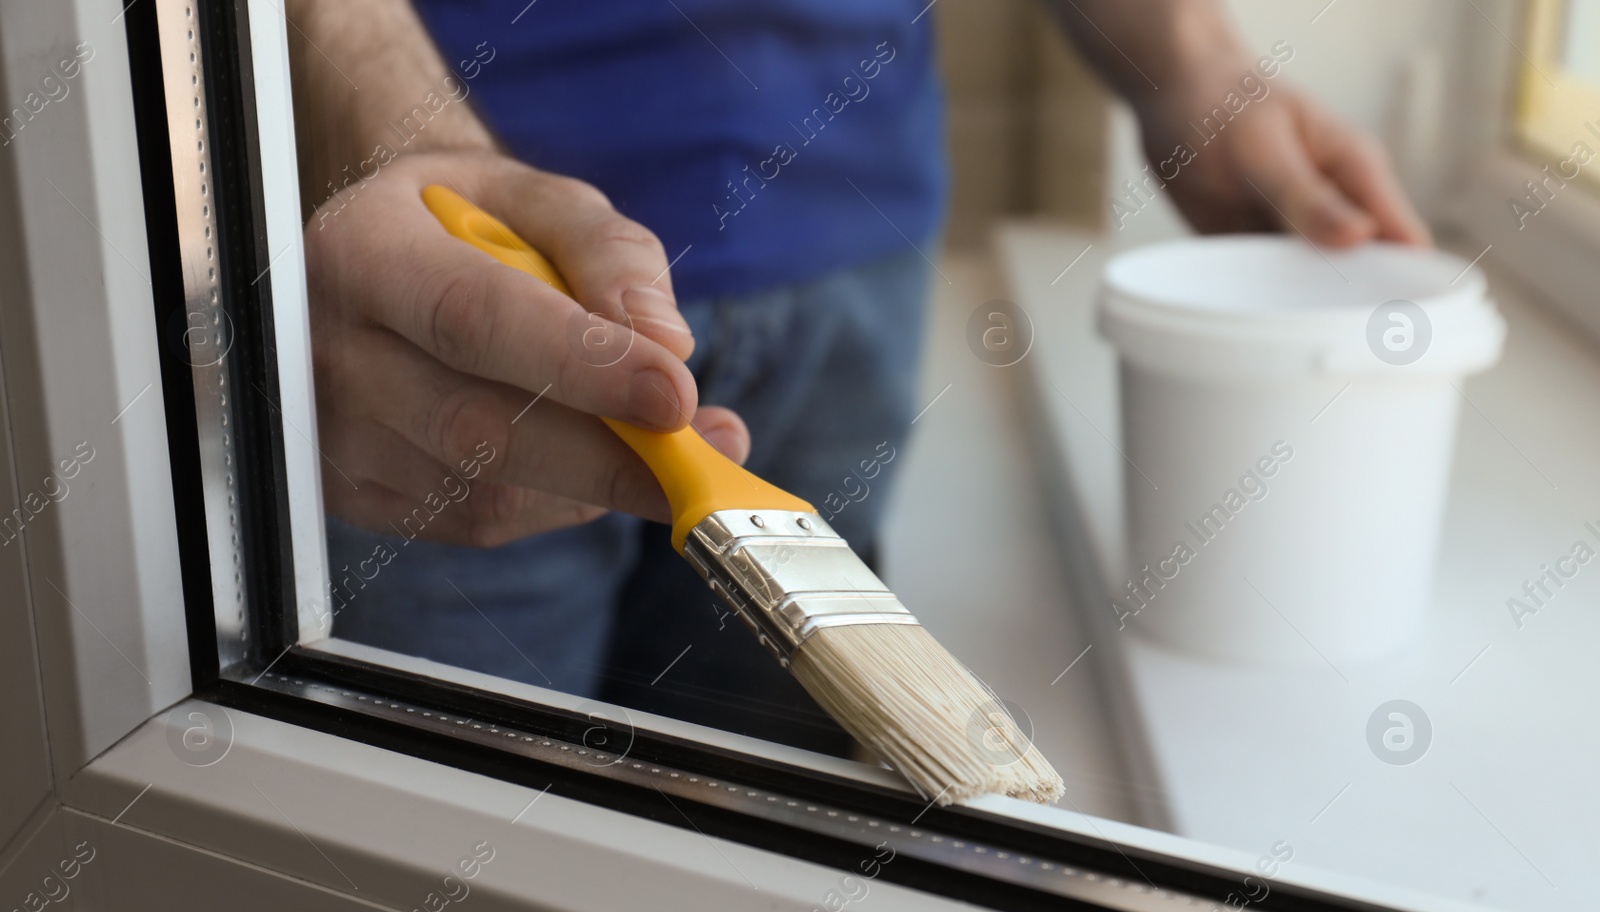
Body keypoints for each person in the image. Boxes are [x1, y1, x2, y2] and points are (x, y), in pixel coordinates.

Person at [287, 0, 1428, 753]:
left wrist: (1189, 60)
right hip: (444, 284)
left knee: (773, 837)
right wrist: (394, 138)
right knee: (461, 896)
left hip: (857, 245)